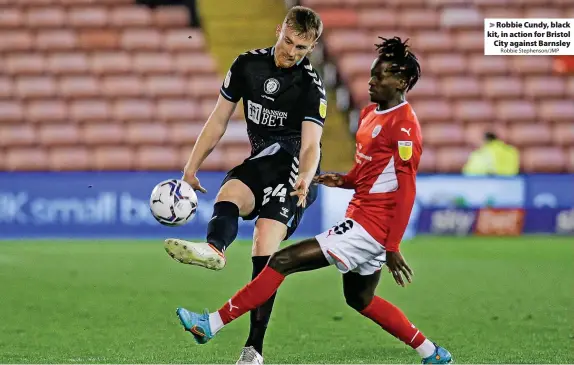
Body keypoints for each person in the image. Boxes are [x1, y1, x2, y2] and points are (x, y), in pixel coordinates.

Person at [172, 37, 453, 364]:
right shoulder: (370, 114)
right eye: (372, 74)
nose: (371, 81)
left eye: (380, 77)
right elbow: (370, 171)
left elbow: (406, 189)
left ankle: (211, 324)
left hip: (371, 228)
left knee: (280, 262)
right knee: (360, 299)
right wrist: (345, 180)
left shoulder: (404, 127)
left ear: (402, 83)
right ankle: (432, 352)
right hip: (361, 216)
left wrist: (391, 245)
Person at [164, 6, 327, 364]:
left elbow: (312, 144)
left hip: (294, 170)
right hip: (262, 162)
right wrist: (191, 168)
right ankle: (215, 249)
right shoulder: (246, 65)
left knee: (263, 251)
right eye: (288, 41)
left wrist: (305, 176)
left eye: (301, 48)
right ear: (277, 31)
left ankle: (253, 350)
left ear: (311, 48)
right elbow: (218, 119)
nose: (291, 52)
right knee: (229, 194)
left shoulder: (311, 87)